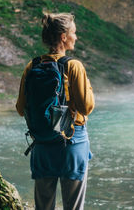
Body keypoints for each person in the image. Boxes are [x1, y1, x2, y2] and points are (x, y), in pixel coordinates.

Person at [16, 13, 95, 210]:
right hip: (71, 143)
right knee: (73, 206)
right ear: (63, 36)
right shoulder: (73, 66)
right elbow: (86, 107)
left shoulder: (32, 66)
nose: (76, 37)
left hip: (42, 145)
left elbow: (20, 108)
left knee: (43, 206)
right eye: (74, 33)